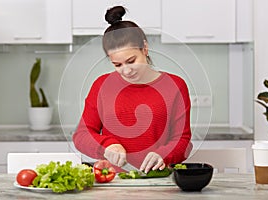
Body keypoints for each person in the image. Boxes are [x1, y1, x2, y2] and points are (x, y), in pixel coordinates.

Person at [73, 6, 192, 173]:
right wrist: (107, 147)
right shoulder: (101, 85)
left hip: (158, 180)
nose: (126, 70)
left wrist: (164, 154)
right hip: (112, 181)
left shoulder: (175, 85)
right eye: (118, 65)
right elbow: (81, 136)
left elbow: (183, 140)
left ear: (144, 48)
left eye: (131, 61)